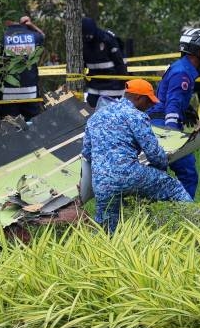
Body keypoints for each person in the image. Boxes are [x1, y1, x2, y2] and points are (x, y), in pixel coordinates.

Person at [81, 78, 192, 232]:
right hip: (128, 174)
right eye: (148, 101)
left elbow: (87, 153)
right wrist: (162, 169)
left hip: (101, 182)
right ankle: (196, 224)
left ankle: (98, 251)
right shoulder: (136, 116)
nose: (150, 106)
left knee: (106, 227)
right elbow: (154, 154)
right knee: (174, 188)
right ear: (138, 98)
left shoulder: (95, 117)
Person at [147, 26, 200, 198]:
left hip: (158, 124)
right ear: (197, 50)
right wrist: (172, 136)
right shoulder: (183, 73)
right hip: (164, 126)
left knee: (157, 175)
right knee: (188, 173)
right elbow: (173, 104)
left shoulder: (181, 68)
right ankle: (184, 212)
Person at [0, 14, 45, 121]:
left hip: (8, 93)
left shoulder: (1, 37)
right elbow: (43, 36)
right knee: (33, 125)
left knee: (11, 126)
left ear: (7, 21)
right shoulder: (33, 36)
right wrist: (32, 26)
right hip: (30, 92)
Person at [81, 17, 128, 108]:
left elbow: (120, 63)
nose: (88, 38)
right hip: (94, 87)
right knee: (92, 111)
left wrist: (123, 80)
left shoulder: (107, 39)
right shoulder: (83, 42)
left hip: (113, 87)